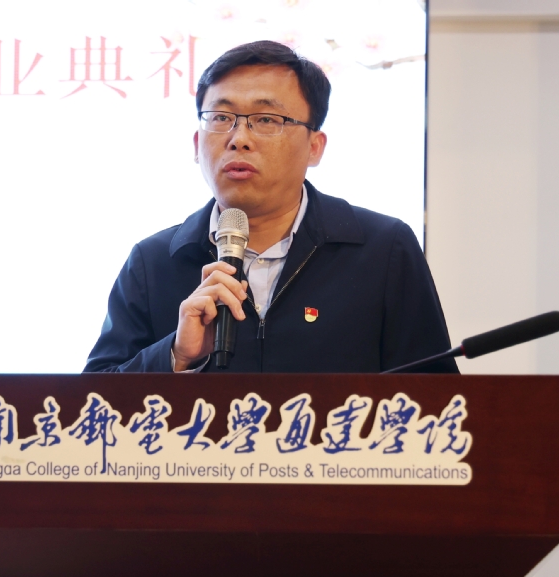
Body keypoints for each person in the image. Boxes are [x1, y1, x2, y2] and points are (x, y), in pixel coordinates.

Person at [84, 40, 457, 374]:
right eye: (221, 118)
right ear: (197, 143)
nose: (239, 139)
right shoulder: (153, 262)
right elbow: (92, 404)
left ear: (315, 147)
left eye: (266, 120)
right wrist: (176, 355)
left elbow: (437, 399)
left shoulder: (382, 249)